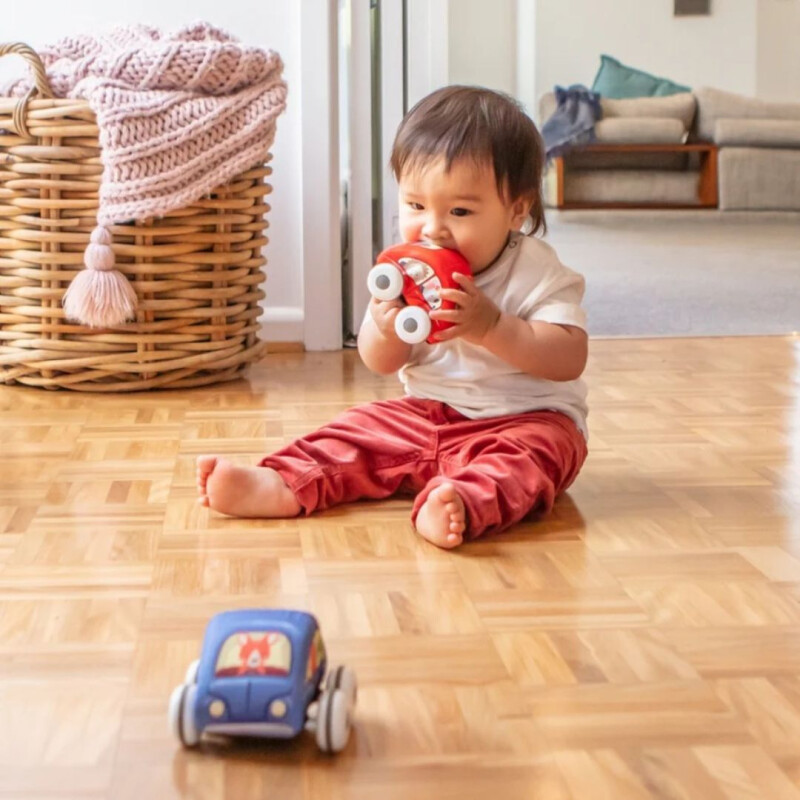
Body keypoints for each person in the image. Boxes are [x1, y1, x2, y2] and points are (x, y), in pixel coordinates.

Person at [197, 85, 588, 549]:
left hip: (524, 418)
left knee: (531, 460)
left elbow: (569, 357)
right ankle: (281, 482)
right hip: (425, 414)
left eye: (460, 210)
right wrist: (385, 327)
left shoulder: (537, 270)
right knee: (358, 430)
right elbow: (379, 362)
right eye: (416, 206)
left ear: (516, 210)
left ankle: (460, 500)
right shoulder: (407, 272)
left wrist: (492, 327)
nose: (432, 227)